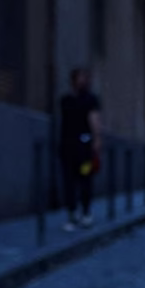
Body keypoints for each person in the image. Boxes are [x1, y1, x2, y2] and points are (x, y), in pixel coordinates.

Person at [59, 68, 101, 231]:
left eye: (84, 78)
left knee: (85, 179)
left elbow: (95, 120)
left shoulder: (90, 100)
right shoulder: (65, 100)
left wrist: (96, 141)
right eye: (79, 78)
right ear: (73, 80)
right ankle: (72, 213)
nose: (82, 81)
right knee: (69, 181)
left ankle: (85, 213)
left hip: (84, 149)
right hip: (68, 148)